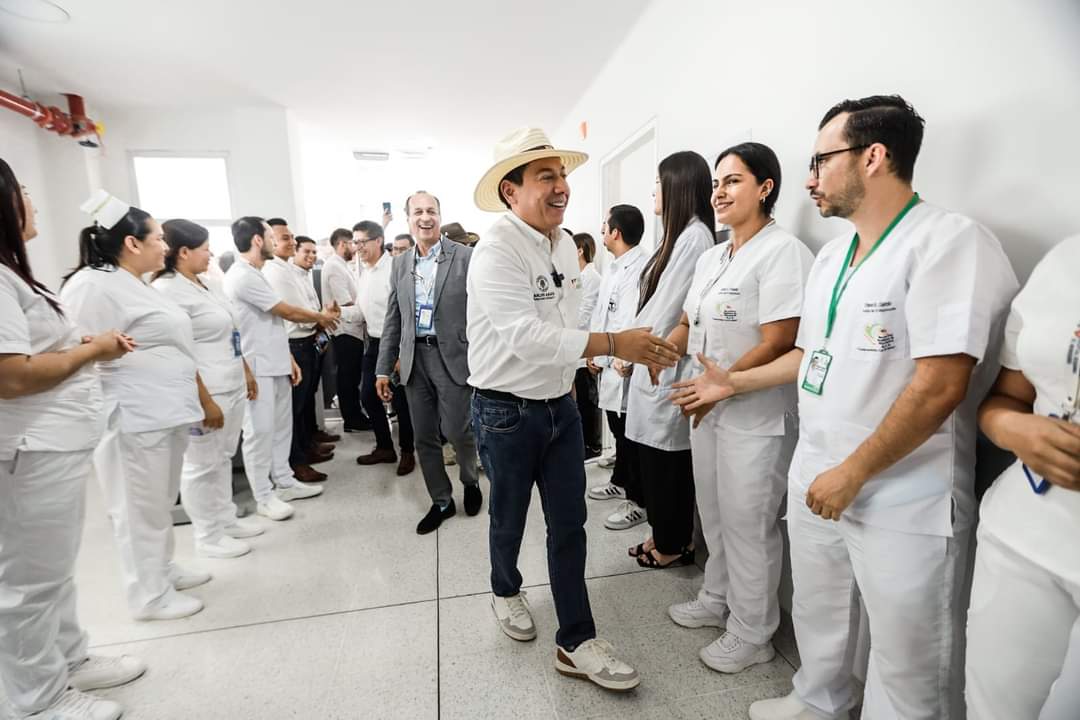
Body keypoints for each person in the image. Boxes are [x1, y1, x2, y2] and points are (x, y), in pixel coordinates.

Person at [673, 95, 1018, 720]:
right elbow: (809, 354)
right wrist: (734, 385)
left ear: (874, 157)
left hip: (903, 491)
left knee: (908, 658)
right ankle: (817, 701)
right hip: (819, 471)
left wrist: (855, 470)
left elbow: (942, 385)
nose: (810, 178)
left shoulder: (948, 242)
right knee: (821, 612)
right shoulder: (833, 256)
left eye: (821, 160)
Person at [468, 126, 680, 692]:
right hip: (505, 412)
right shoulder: (495, 252)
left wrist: (609, 354)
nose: (561, 186)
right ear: (511, 191)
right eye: (546, 176)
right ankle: (506, 590)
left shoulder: (562, 243)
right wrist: (613, 345)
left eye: (562, 174)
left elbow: (567, 318)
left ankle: (576, 640)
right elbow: (524, 336)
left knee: (570, 523)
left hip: (560, 407)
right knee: (508, 516)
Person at [0, 161, 146, 720]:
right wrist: (92, 350)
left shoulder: (14, 273)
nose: (32, 202)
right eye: (25, 192)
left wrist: (73, 341)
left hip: (51, 447)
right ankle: (38, 699)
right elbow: (12, 375)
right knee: (28, 582)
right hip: (30, 448)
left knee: (52, 569)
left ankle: (69, 659)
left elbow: (32, 346)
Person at [664, 142, 813, 674]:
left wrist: (725, 382)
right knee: (715, 511)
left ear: (765, 187)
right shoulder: (711, 256)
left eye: (732, 181)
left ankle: (754, 632)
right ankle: (717, 597)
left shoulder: (783, 253)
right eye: (716, 184)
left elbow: (781, 338)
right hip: (709, 406)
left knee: (751, 524)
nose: (719, 193)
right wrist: (658, 349)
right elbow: (689, 321)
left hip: (756, 414)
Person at [61, 190, 216, 622]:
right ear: (132, 243)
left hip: (162, 411)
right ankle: (148, 595)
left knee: (159, 500)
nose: (165, 248)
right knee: (136, 508)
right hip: (132, 414)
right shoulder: (92, 285)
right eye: (158, 239)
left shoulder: (131, 282)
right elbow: (79, 348)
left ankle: (162, 571)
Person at [965, 234, 1080, 720]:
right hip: (1022, 535)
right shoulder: (1064, 259)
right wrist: (1014, 428)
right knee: (994, 708)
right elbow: (1003, 400)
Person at [623, 150, 715, 570]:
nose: (653, 192)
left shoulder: (695, 237)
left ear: (678, 186)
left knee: (667, 464)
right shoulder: (678, 237)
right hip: (653, 359)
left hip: (666, 361)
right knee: (655, 462)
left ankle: (673, 544)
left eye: (659, 183)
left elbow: (669, 306)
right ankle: (663, 532)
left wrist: (636, 345)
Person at [152, 219, 264, 559]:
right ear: (183, 252)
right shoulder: (167, 291)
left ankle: (224, 519)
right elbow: (179, 351)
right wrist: (204, 400)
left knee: (223, 458)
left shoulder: (205, 284)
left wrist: (245, 370)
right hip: (206, 390)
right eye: (204, 248)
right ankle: (207, 535)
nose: (210, 253)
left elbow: (230, 331)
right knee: (201, 464)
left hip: (230, 380)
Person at [376, 191, 478, 532]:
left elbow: (482, 313)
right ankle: (442, 501)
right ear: (408, 219)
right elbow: (394, 318)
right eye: (418, 212)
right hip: (413, 359)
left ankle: (470, 481)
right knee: (423, 437)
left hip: (453, 357)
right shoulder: (400, 263)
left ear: (439, 215)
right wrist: (383, 367)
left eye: (431, 211)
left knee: (458, 432)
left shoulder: (465, 257)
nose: (425, 217)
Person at [224, 216, 335, 522]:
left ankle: (285, 482)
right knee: (259, 432)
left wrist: (288, 358)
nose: (276, 242)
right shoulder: (241, 276)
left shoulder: (258, 273)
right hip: (256, 366)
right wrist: (321, 317)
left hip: (275, 361)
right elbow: (283, 310)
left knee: (281, 428)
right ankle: (263, 495)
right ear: (258, 240)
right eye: (272, 237)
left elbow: (273, 324)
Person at [585, 205, 649, 531]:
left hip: (623, 365)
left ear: (616, 233)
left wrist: (610, 357)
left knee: (629, 436)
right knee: (616, 427)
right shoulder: (612, 267)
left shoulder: (642, 266)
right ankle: (620, 481)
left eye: (604, 226)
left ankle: (637, 502)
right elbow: (601, 312)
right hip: (607, 360)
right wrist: (593, 353)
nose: (602, 231)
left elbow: (630, 320)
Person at [262, 219, 336, 484]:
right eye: (284, 238)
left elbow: (305, 305)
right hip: (293, 344)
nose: (291, 242)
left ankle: (305, 448)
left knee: (303, 405)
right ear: (269, 240)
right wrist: (322, 318)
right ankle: (295, 462)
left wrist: (319, 321)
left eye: (292, 236)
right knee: (292, 410)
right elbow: (293, 311)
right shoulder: (275, 271)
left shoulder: (290, 270)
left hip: (308, 340)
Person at [352, 219, 416, 475]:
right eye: (355, 242)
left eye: (361, 241)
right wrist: (334, 315)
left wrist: (401, 352)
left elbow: (405, 312)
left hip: (396, 344)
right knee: (368, 395)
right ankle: (385, 447)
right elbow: (360, 311)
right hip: (374, 342)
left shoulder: (394, 269)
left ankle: (408, 451)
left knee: (402, 401)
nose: (357, 247)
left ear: (378, 241)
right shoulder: (365, 272)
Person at [321, 228, 369, 433]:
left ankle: (356, 414)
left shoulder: (342, 265)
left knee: (352, 377)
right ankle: (352, 419)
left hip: (353, 329)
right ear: (342, 244)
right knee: (348, 378)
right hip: (345, 330)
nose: (356, 248)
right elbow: (345, 303)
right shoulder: (333, 267)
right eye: (353, 243)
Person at [573, 232, 603, 459]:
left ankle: (592, 447)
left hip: (585, 346)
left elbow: (583, 315)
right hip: (577, 346)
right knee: (582, 398)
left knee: (588, 399)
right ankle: (586, 444)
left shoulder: (591, 278)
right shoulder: (580, 276)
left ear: (580, 250)